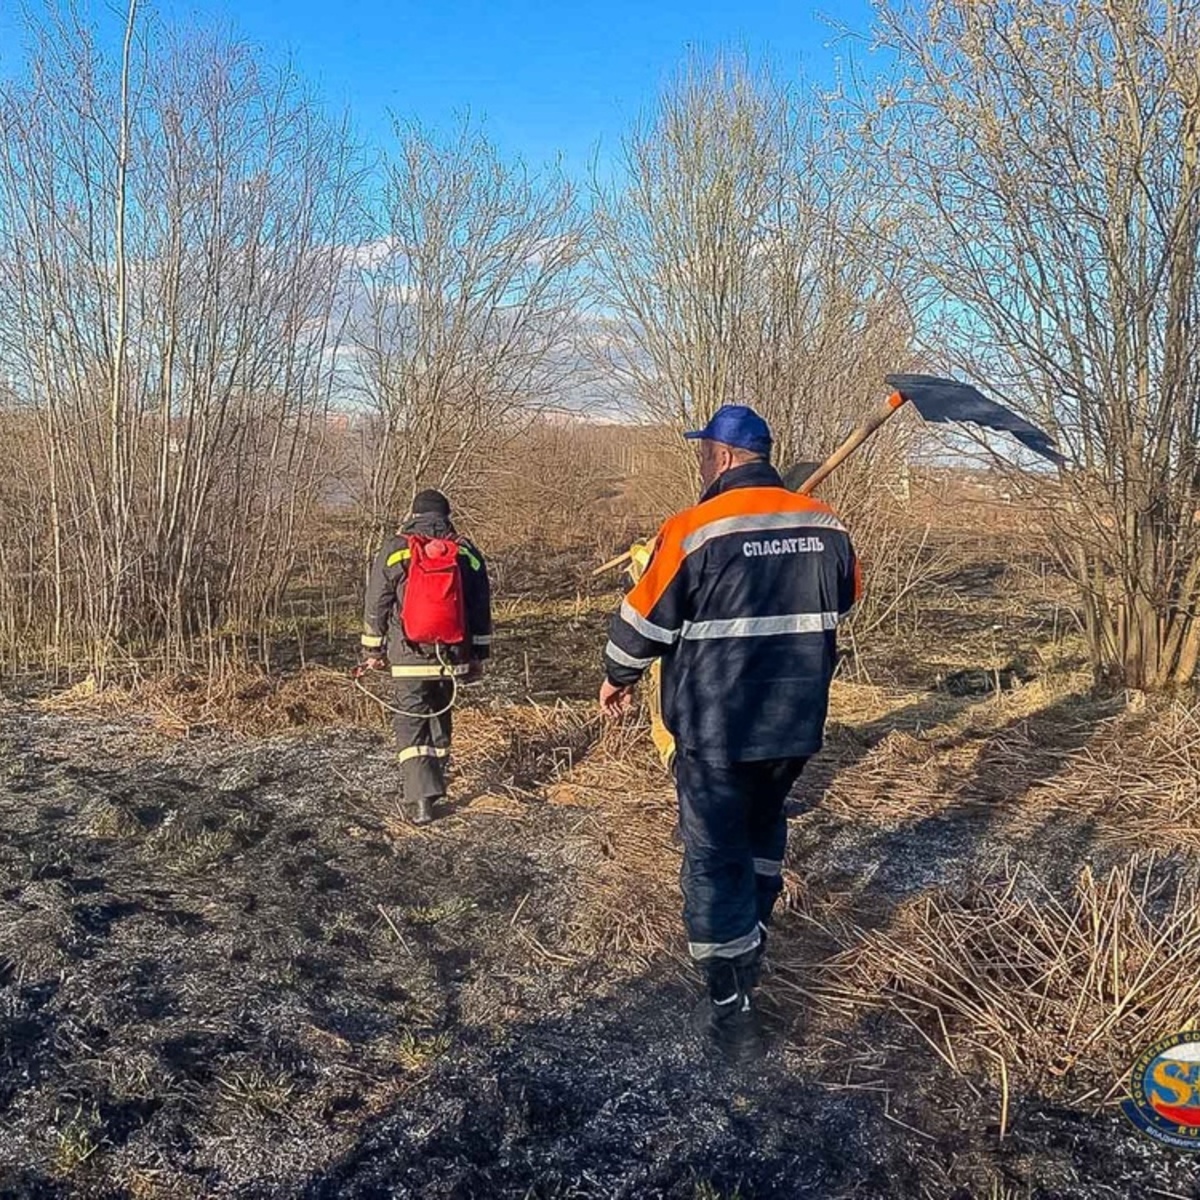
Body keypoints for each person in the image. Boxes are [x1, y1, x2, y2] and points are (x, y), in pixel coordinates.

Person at [599, 405, 860, 1063]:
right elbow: (846, 596)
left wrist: (617, 676)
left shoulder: (692, 530)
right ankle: (753, 943)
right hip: (795, 725)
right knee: (765, 833)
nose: (699, 463)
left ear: (718, 457)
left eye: (701, 453)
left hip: (717, 728)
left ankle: (730, 1004)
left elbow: (642, 626)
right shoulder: (828, 524)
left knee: (714, 858)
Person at [362, 489, 492, 825]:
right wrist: (478, 654)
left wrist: (373, 649)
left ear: (414, 514)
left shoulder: (396, 549)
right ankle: (436, 785)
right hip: (452, 655)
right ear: (447, 515)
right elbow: (480, 606)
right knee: (439, 715)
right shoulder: (465, 552)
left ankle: (421, 799)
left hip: (408, 656)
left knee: (410, 721)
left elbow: (378, 601)